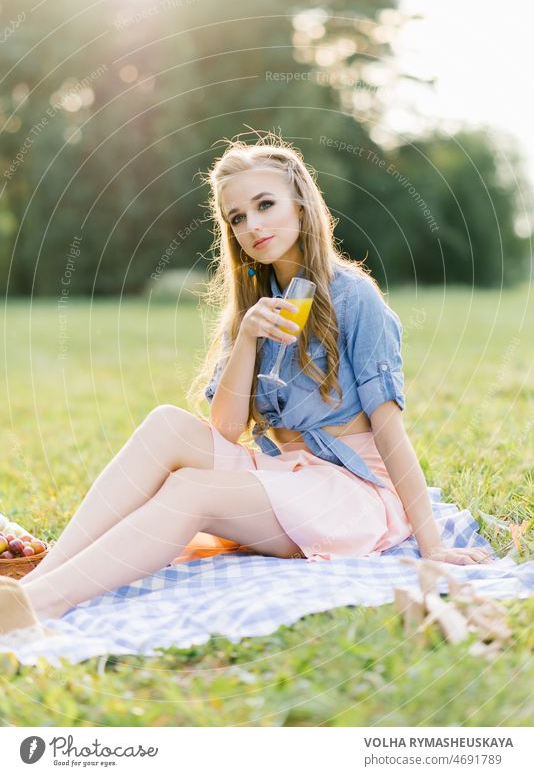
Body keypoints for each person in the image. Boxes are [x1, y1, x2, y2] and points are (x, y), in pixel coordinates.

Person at [0, 132, 492, 644]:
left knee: (192, 489)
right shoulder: (257, 304)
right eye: (237, 217)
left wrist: (430, 543)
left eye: (265, 205)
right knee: (167, 424)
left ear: (301, 207)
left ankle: (36, 604)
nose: (252, 226)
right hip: (289, 474)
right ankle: (37, 578)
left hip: (353, 494)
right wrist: (249, 338)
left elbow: (391, 432)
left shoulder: (354, 298)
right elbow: (227, 430)